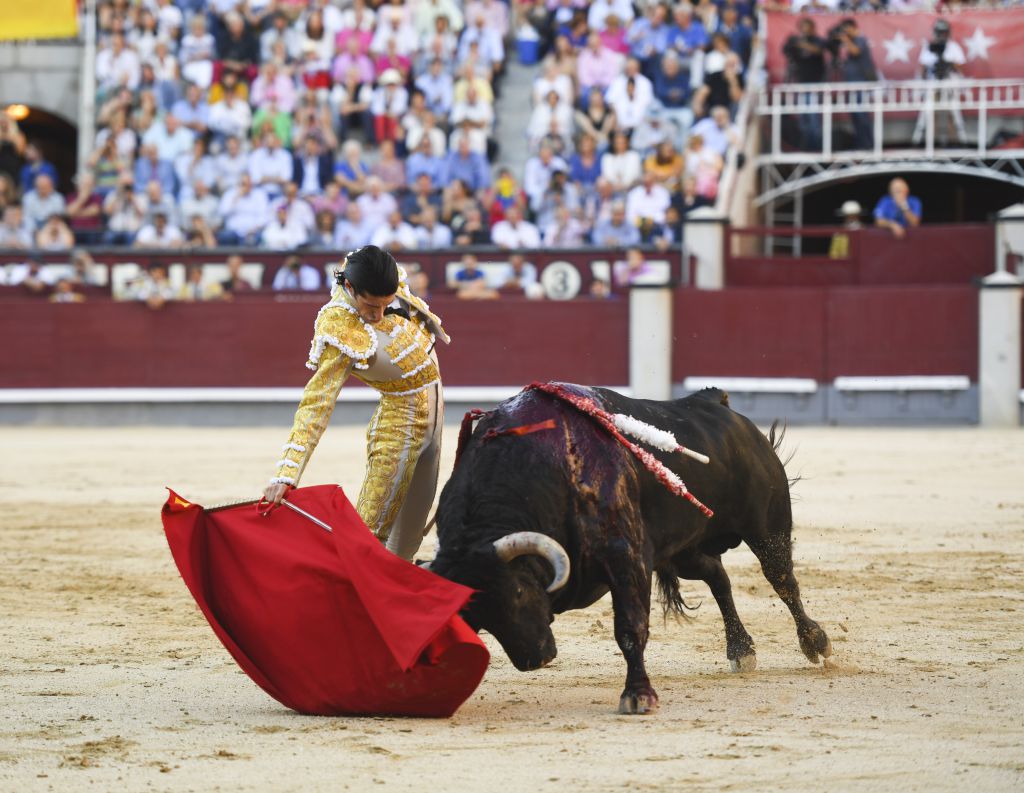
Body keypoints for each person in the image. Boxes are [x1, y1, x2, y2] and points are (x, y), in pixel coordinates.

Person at [262, 246, 451, 561]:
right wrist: (286, 474)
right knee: (370, 535)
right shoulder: (338, 325)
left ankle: (391, 603)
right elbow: (317, 403)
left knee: (409, 536)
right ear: (350, 287)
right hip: (400, 422)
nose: (377, 314)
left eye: (385, 304)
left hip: (436, 409)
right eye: (370, 305)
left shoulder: (383, 276)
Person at [912, 18, 966, 146]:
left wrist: (950, 63)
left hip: (949, 84)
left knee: (952, 113)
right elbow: (922, 68)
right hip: (933, 84)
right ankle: (931, 143)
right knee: (930, 112)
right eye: (939, 32)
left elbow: (960, 67)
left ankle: (957, 143)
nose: (941, 35)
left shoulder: (953, 47)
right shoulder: (929, 47)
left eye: (944, 32)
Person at [830, 18, 877, 151]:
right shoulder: (847, 42)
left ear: (854, 27)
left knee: (862, 115)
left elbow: (856, 51)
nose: (845, 31)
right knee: (855, 116)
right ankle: (861, 144)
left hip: (861, 83)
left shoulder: (860, 39)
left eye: (847, 28)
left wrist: (845, 39)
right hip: (851, 84)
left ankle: (868, 145)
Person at [782, 18, 826, 152]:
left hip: (814, 84)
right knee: (803, 120)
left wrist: (803, 44)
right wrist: (792, 43)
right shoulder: (796, 41)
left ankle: (817, 149)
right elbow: (786, 51)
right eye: (802, 27)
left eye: (807, 27)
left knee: (814, 119)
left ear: (812, 28)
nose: (804, 30)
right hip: (801, 83)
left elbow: (818, 50)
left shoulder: (817, 40)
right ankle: (806, 148)